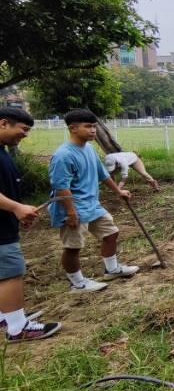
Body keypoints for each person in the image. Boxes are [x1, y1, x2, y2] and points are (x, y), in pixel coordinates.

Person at [49, 109, 139, 293]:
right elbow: (61, 187)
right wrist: (71, 212)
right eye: (88, 126)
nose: (93, 131)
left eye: (94, 127)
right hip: (73, 207)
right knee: (73, 247)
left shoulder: (88, 148)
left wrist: (118, 191)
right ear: (73, 128)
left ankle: (111, 269)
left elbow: (102, 174)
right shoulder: (63, 155)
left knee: (111, 233)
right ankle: (77, 283)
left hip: (92, 205)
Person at [0, 108, 61, 342]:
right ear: (4, 123)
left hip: (5, 222)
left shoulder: (3, 151)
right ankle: (18, 328)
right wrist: (16, 208)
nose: (25, 135)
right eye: (23, 129)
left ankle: (5, 314)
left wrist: (16, 211)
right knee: (10, 273)